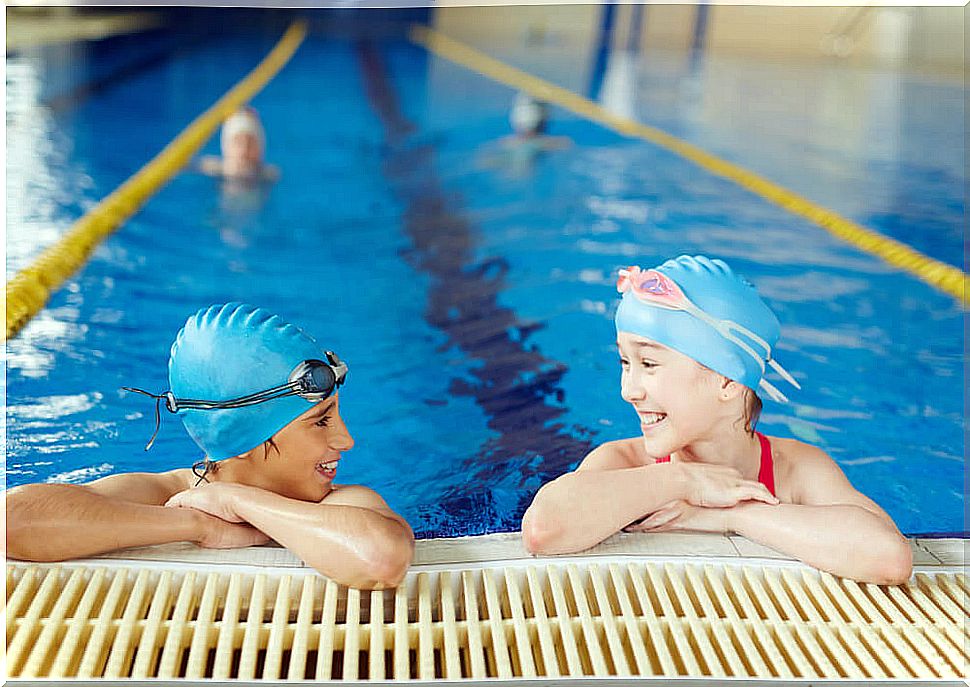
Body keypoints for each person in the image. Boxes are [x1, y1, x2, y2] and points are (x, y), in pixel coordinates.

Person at [521, 255, 912, 585]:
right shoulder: (627, 464)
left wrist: (733, 512)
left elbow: (889, 558)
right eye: (626, 362)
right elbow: (543, 530)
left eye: (649, 363)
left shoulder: (795, 470)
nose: (629, 390)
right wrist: (683, 480)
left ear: (727, 380)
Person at [6, 303, 414, 590]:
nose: (346, 439)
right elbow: (12, 521)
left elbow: (380, 558)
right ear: (239, 439)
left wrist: (238, 501)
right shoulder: (167, 496)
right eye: (320, 420)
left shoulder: (337, 503)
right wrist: (199, 526)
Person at [198, 107, 280, 183]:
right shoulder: (212, 168)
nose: (244, 149)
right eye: (238, 142)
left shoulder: (268, 174)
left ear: (260, 148)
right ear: (226, 147)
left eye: (250, 142)